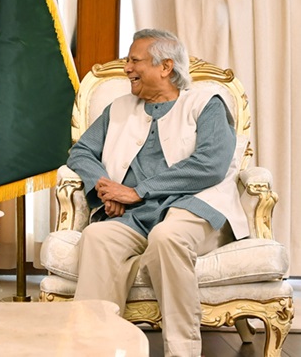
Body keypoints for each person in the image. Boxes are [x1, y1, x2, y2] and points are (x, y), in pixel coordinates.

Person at [68, 29, 248, 357]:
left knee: (167, 237)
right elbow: (81, 153)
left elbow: (210, 165)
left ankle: (182, 352)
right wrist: (106, 188)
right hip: (134, 216)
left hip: (194, 209)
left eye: (134, 61)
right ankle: (93, 348)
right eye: (127, 61)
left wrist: (138, 191)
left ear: (165, 67)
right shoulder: (118, 108)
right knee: (97, 238)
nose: (126, 69)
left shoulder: (206, 104)